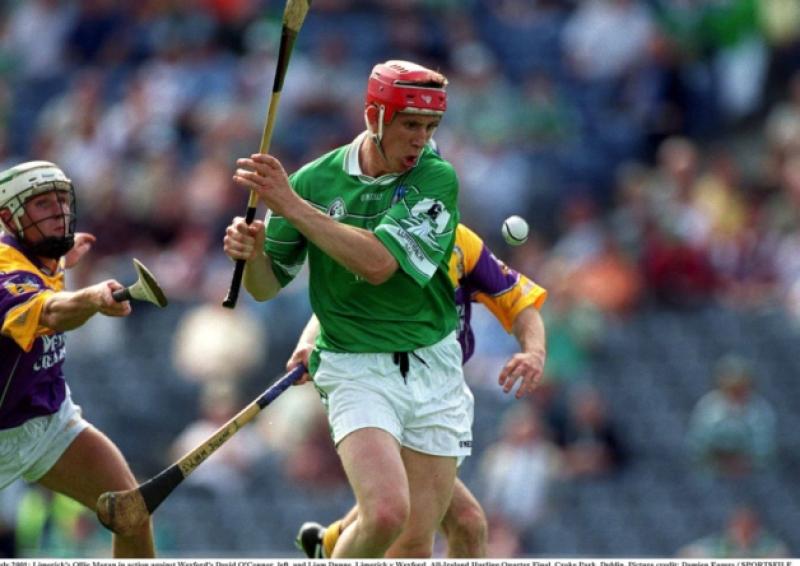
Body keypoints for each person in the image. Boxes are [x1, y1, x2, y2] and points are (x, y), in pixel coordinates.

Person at [223, 60, 473, 558]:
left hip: (434, 366)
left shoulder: (435, 179)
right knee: (384, 513)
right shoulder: (316, 180)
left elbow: (380, 264)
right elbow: (267, 286)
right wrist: (251, 256)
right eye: (410, 125)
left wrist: (290, 204)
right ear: (374, 116)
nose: (420, 140)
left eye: (429, 127)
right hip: (354, 363)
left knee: (416, 541)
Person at [292, 222, 549, 558]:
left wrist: (534, 351)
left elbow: (519, 303)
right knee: (408, 536)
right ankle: (336, 541)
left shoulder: (460, 243)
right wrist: (307, 343)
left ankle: (335, 541)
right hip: (379, 389)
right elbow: (337, 301)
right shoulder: (380, 234)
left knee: (468, 525)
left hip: (437, 396)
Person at [0, 160, 155, 557]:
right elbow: (49, 310)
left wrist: (69, 258)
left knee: (131, 513)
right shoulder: (5, 272)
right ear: (8, 218)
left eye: (61, 200)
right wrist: (94, 298)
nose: (58, 212)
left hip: (49, 424)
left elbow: (50, 272)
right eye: (41, 204)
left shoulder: (44, 253)